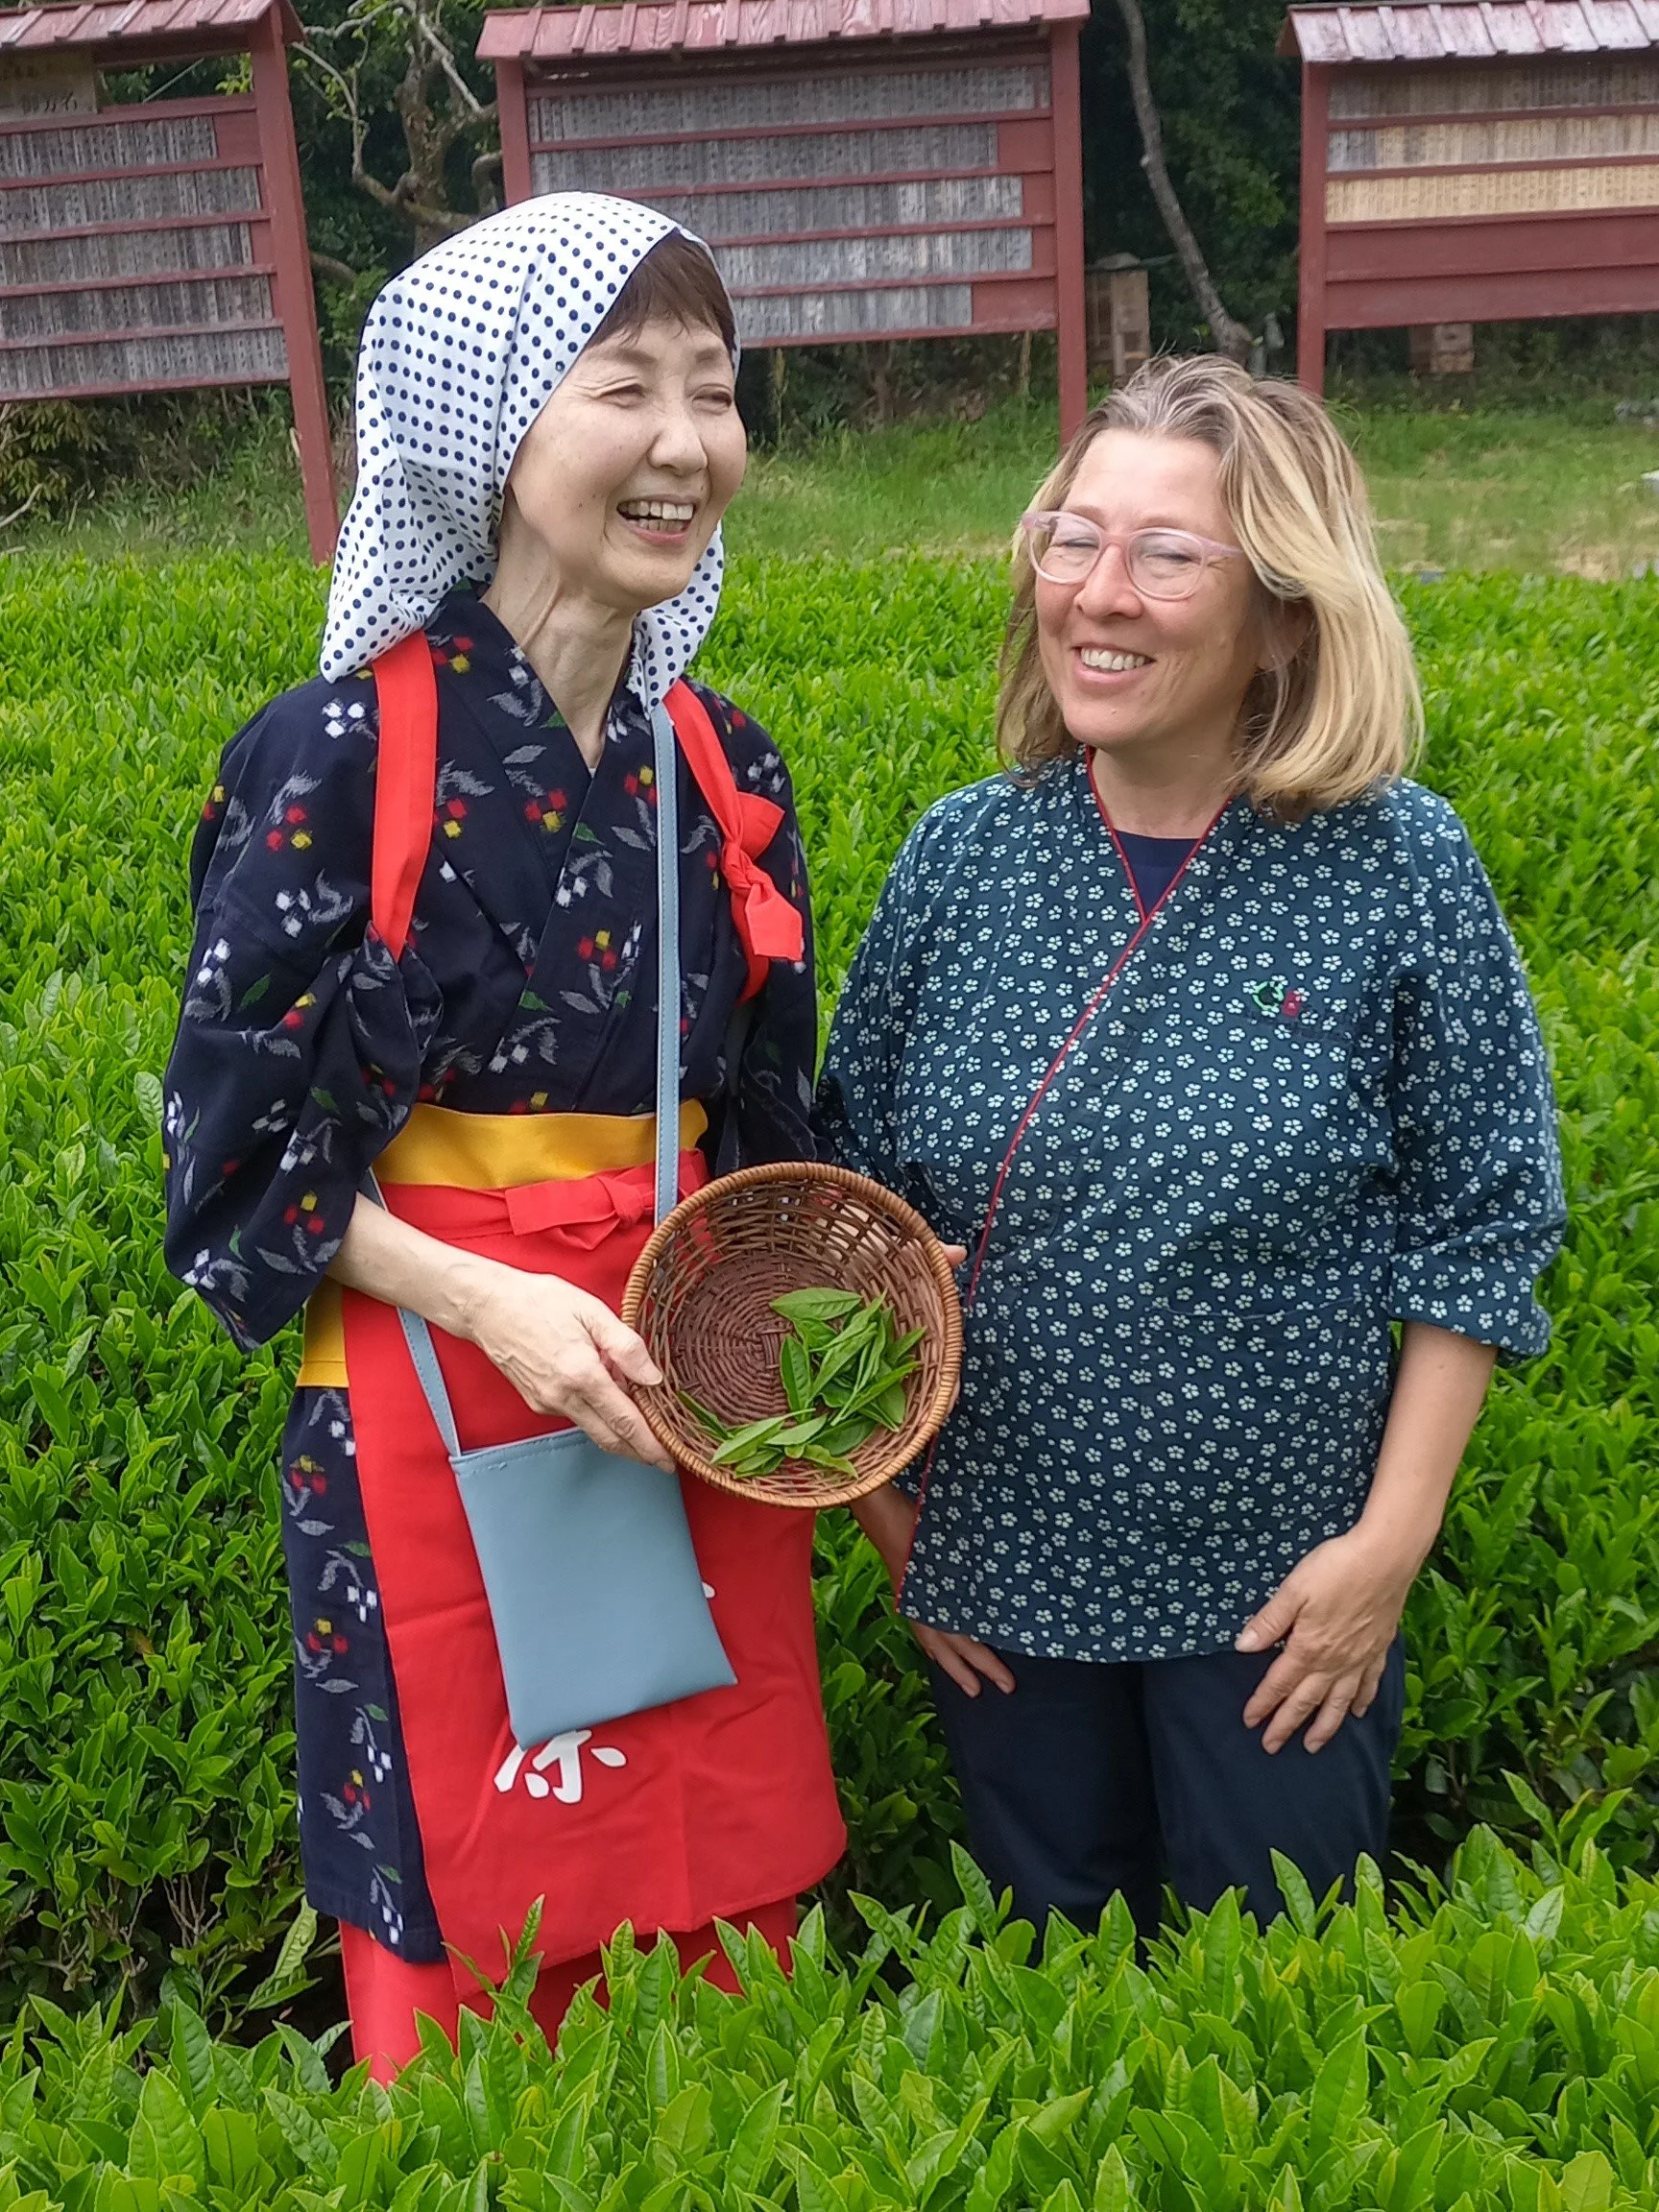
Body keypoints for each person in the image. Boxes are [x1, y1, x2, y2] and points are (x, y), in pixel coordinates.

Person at [162, 194, 844, 2078]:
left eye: (714, 389)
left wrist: (851, 1338)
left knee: (720, 1893)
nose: (686, 442)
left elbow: (773, 1127)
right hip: (429, 1385)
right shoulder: (335, 756)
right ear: (486, 426)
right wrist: (493, 1301)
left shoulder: (722, 760)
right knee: (478, 1917)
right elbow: (232, 1165)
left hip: (681, 1391)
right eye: (625, 387)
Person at [817, 356, 1564, 1934]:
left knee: (1275, 2004)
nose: (1101, 593)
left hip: (1285, 1594)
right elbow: (844, 1205)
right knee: (1054, 1999)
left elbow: (1480, 1226)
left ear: (1283, 614)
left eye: (1168, 555)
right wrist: (895, 1525)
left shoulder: (1397, 864)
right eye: (1072, 539)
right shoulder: (965, 855)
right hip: (999, 1582)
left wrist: (1388, 1552)